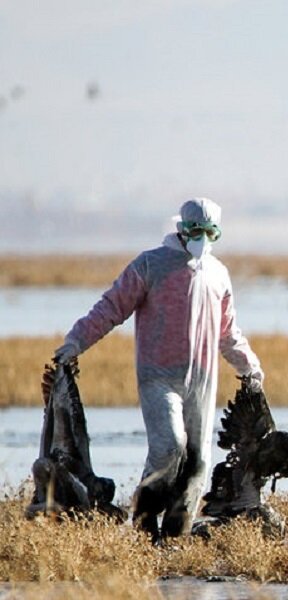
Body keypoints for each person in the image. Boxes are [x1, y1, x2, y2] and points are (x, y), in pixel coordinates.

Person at [54, 197, 264, 541]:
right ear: (182, 228)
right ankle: (144, 521)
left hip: (202, 380)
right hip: (158, 377)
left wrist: (250, 368)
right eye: (197, 229)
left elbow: (228, 333)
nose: (203, 237)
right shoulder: (151, 265)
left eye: (211, 232)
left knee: (197, 460)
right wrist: (76, 342)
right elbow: (111, 308)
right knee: (170, 446)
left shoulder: (217, 274)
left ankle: (174, 538)